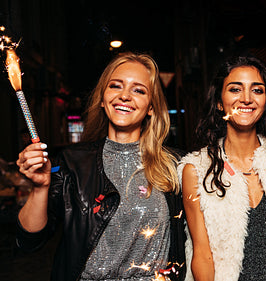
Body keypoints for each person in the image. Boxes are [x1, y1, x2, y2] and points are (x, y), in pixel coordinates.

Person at [16, 52, 185, 281]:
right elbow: (29, 241)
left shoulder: (177, 166)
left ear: (152, 107)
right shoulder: (72, 163)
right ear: (103, 99)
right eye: (116, 86)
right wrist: (39, 187)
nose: (125, 96)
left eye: (138, 90)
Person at [178, 56, 266, 281]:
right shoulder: (196, 169)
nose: (247, 99)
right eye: (235, 89)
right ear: (220, 102)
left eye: (257, 90)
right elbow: (202, 255)